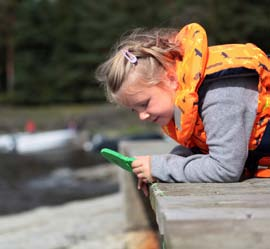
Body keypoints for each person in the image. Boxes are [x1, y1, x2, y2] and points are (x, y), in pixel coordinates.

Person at [95, 23, 270, 195]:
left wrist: (160, 167)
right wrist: (164, 166)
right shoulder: (187, 96)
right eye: (135, 110)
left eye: (144, 104)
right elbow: (202, 147)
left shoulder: (220, 95)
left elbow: (226, 168)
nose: (142, 116)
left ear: (170, 78)